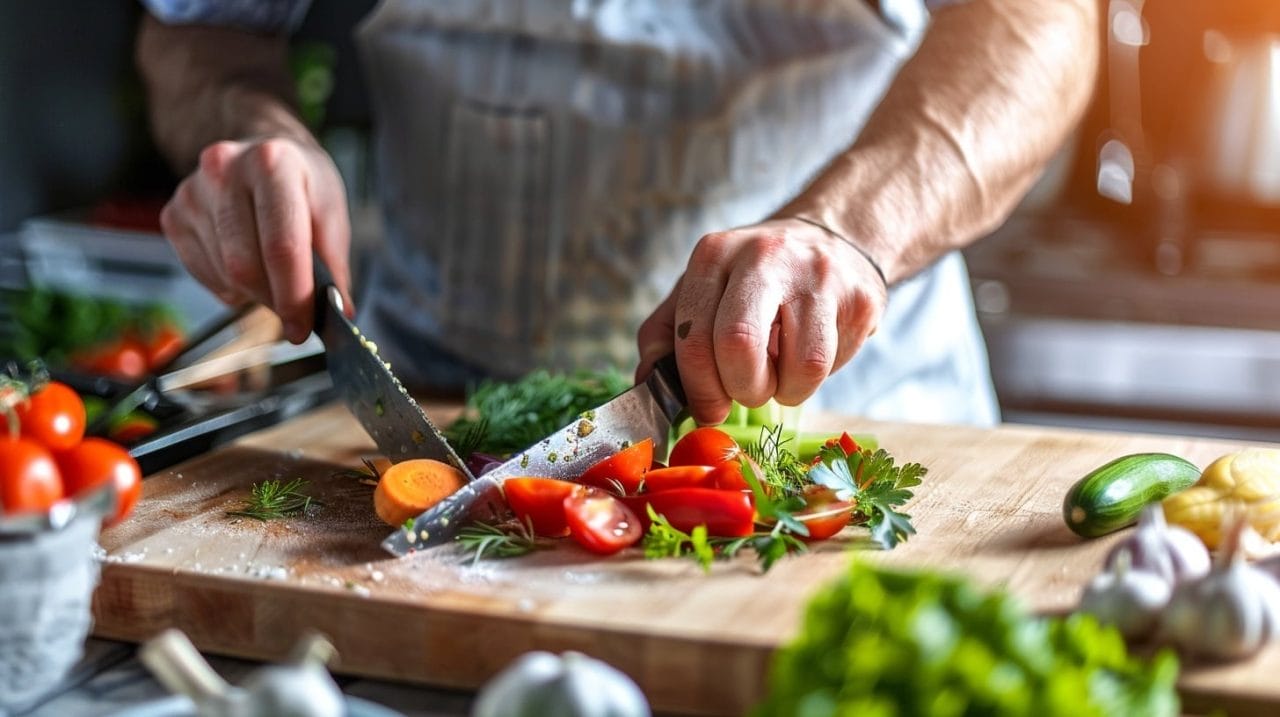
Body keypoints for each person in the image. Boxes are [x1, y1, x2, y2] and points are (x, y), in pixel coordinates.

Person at [136, 0, 1098, 427]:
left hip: (846, 410)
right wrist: (255, 129)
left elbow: (1040, 22)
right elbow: (204, 31)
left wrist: (851, 227)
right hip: (437, 404)